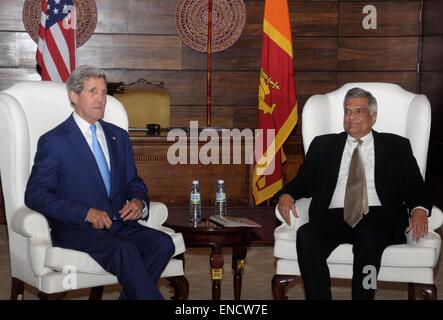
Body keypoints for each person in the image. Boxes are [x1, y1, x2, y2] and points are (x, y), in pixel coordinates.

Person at [25, 65, 175, 300]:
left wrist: (138, 201)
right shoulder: (54, 141)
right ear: (74, 96)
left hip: (118, 223)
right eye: (92, 92)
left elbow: (133, 181)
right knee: (124, 250)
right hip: (76, 228)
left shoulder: (118, 136)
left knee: (163, 243)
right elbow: (36, 194)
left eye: (104, 93)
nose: (100, 99)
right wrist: (84, 212)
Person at [277, 87, 432, 300]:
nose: (351, 117)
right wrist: (287, 195)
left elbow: (416, 185)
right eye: (347, 111)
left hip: (380, 216)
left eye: (358, 111)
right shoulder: (323, 146)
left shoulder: (396, 146)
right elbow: (304, 182)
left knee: (368, 238)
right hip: (334, 215)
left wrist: (419, 209)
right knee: (306, 236)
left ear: (373, 116)